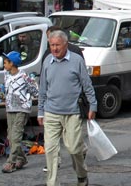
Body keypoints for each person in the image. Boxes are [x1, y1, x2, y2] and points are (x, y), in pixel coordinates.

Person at [38, 30, 97, 186]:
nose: (55, 48)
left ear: (65, 45)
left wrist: (93, 105)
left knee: (73, 149)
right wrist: (40, 111)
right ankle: (52, 183)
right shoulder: (47, 61)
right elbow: (43, 88)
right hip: (51, 112)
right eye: (52, 45)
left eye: (57, 45)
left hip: (72, 112)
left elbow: (87, 85)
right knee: (50, 150)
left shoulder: (76, 60)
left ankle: (82, 175)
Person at [2, 51, 39, 173]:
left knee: (16, 136)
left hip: (21, 109)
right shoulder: (6, 75)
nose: (4, 64)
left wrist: (27, 99)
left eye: (6, 62)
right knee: (10, 136)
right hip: (10, 108)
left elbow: (35, 90)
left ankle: (11, 162)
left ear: (12, 64)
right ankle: (22, 158)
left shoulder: (24, 77)